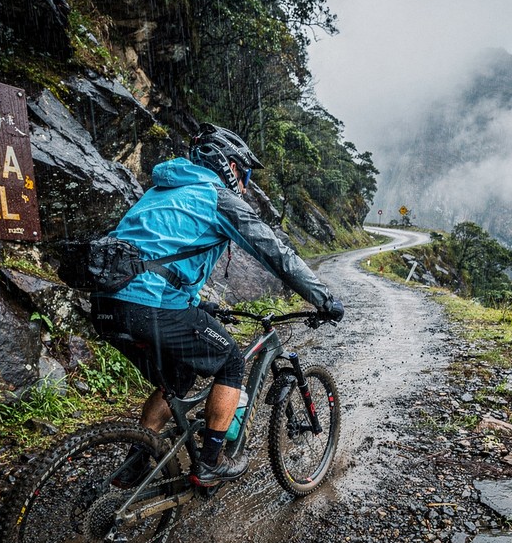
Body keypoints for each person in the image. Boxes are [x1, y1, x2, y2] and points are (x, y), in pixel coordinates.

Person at [91, 123, 344, 488]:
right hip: (147, 304)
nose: (244, 185)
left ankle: (136, 460)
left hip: (107, 303)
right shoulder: (216, 197)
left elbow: (161, 254)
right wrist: (323, 299)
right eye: (244, 174)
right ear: (230, 166)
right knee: (231, 360)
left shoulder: (162, 190)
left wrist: (195, 305)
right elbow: (277, 254)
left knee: (177, 378)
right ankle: (210, 463)